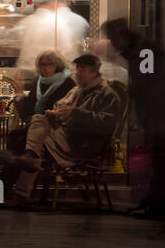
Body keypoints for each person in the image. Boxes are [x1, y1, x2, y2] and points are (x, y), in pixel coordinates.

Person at [102, 18, 165, 220]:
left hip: (164, 114)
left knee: (162, 161)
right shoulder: (140, 49)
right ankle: (154, 200)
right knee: (159, 161)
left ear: (122, 35)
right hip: (163, 113)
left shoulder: (144, 50)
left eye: (113, 40)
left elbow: (150, 84)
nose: (112, 45)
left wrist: (150, 116)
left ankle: (159, 205)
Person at [9, 53, 121, 203]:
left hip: (82, 144)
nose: (78, 72)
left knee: (28, 143)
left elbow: (106, 125)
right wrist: (55, 113)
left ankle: (17, 191)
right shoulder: (76, 90)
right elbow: (58, 107)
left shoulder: (107, 94)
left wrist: (75, 113)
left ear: (94, 72)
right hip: (63, 135)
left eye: (83, 69)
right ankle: (20, 188)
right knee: (37, 121)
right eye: (78, 68)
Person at [7, 49, 75, 153]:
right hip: (36, 125)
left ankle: (30, 164)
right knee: (14, 136)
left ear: (57, 65)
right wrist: (20, 91)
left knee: (21, 141)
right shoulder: (38, 81)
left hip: (55, 128)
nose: (46, 68)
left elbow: (65, 110)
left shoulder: (67, 83)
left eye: (50, 64)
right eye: (42, 65)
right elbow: (26, 111)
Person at [17, 0, 90, 77]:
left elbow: (17, 45)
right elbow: (67, 51)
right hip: (51, 72)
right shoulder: (57, 22)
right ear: (52, 5)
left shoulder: (27, 21)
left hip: (27, 72)